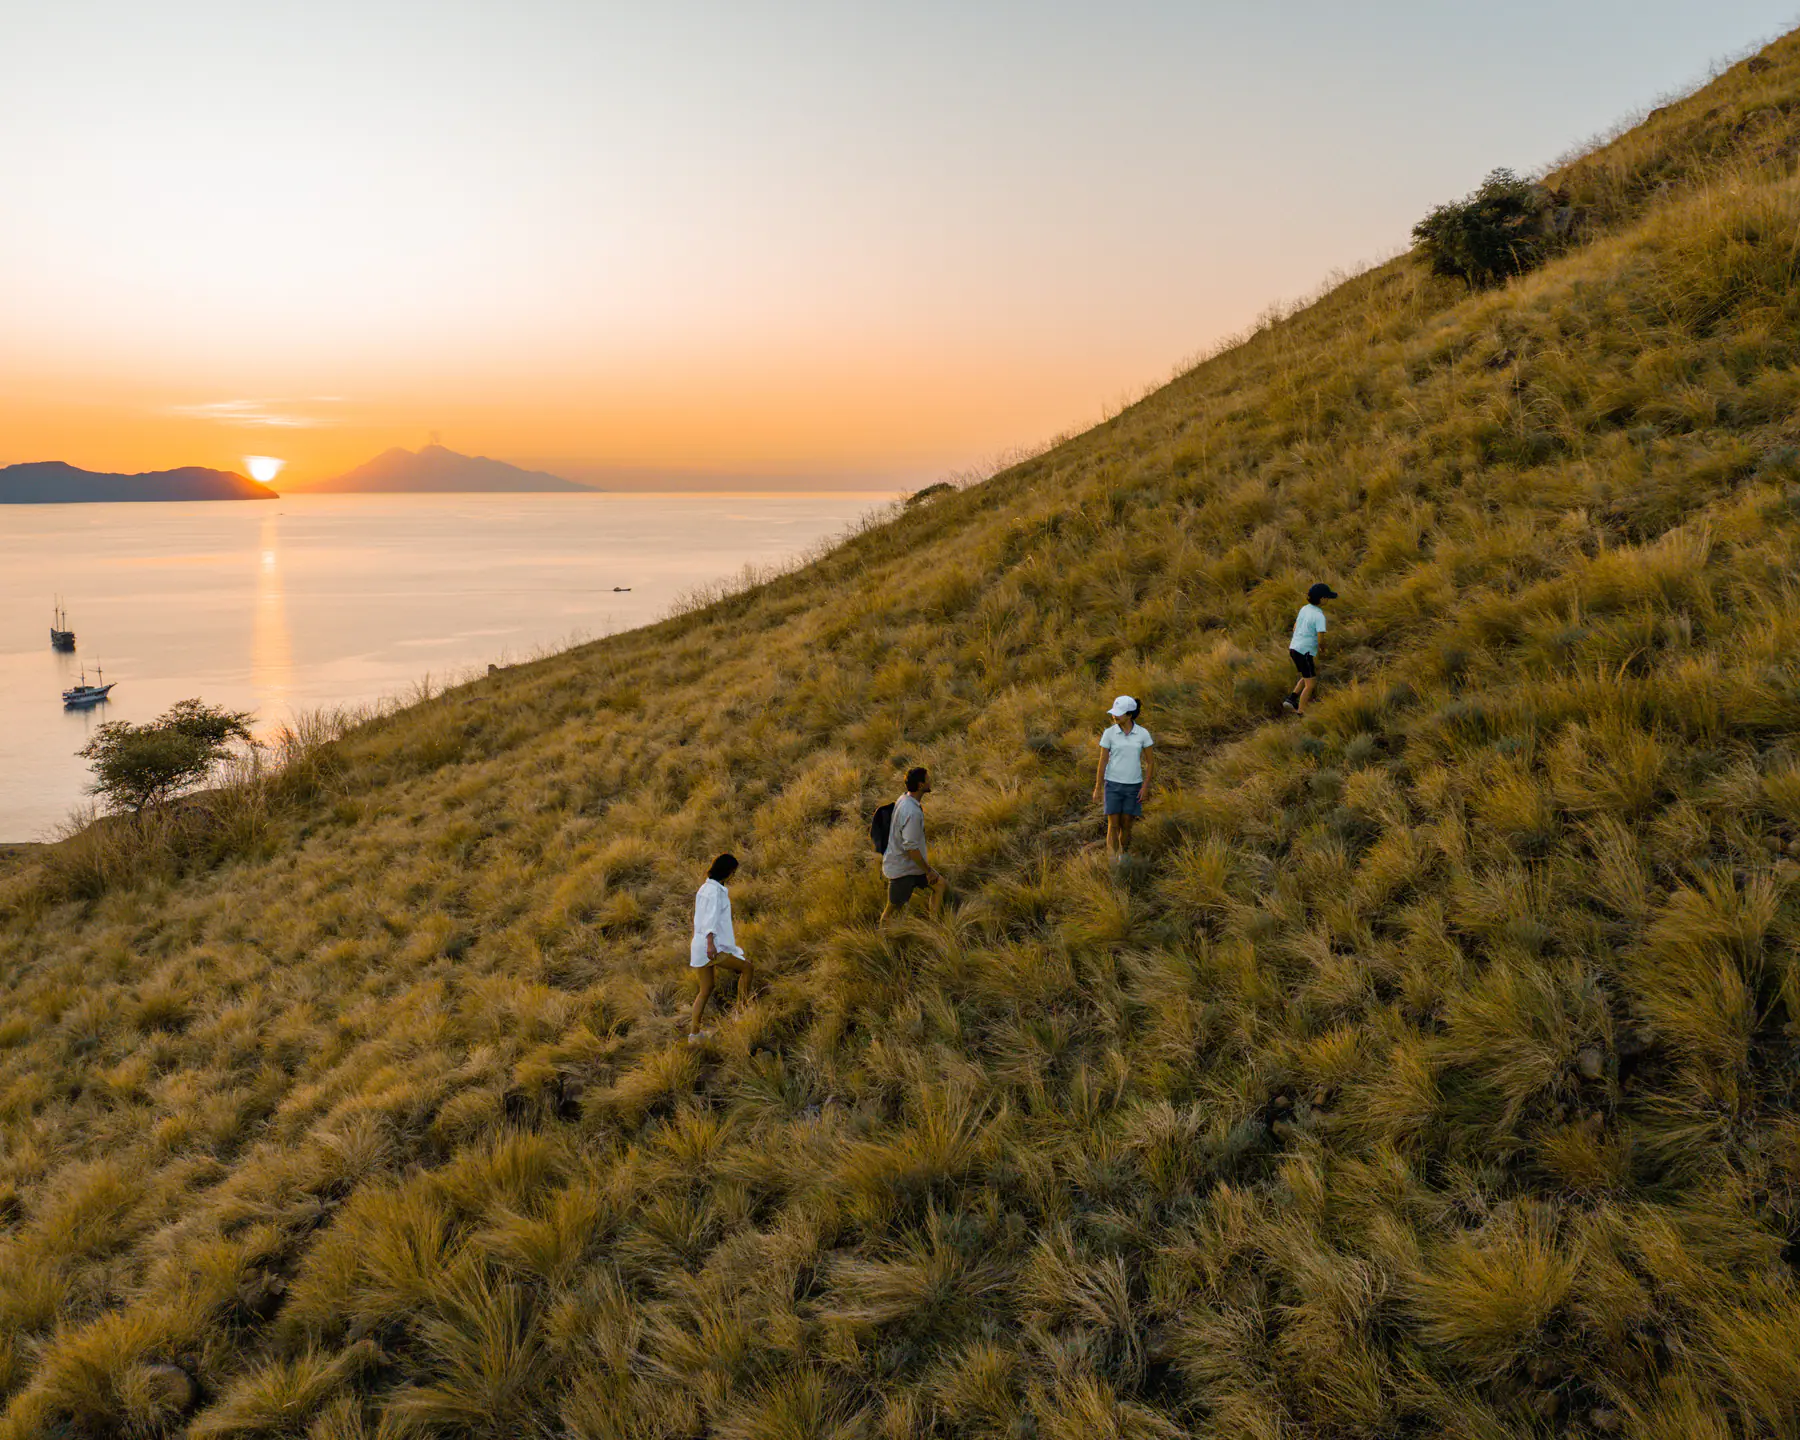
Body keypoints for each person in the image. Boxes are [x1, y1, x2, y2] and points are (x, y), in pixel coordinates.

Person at [687, 853, 753, 1043]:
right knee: (747, 968)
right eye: (733, 872)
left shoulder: (705, 888)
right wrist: (710, 943)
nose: (733, 875)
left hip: (699, 946)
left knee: (706, 989)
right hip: (712, 947)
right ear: (728, 872)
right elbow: (711, 918)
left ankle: (694, 1035)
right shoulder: (715, 892)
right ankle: (740, 1014)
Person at [880, 766, 945, 922]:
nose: (930, 781)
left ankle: (934, 926)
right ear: (921, 785)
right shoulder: (912, 812)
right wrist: (928, 871)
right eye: (927, 779)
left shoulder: (904, 799)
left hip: (913, 866)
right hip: (903, 869)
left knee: (940, 885)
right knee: (892, 910)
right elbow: (911, 848)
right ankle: (882, 934)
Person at [1093, 696, 1154, 860]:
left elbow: (1150, 762)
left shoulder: (1142, 734)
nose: (1114, 716)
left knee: (1127, 824)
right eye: (1114, 712)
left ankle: (1124, 856)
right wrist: (1098, 787)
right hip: (1112, 785)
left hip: (1133, 787)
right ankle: (1112, 861)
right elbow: (1102, 761)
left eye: (1119, 713)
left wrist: (1145, 786)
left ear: (1129, 715)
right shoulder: (1109, 733)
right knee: (1113, 824)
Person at [1283, 583, 1337, 716]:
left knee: (1306, 676)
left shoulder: (1304, 609)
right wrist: (1323, 649)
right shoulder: (1319, 616)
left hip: (1294, 648)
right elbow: (1321, 639)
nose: (1328, 600)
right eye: (1327, 597)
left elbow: (1295, 627)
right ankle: (1301, 712)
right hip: (1304, 652)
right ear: (1322, 599)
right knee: (1310, 684)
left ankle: (1291, 699)